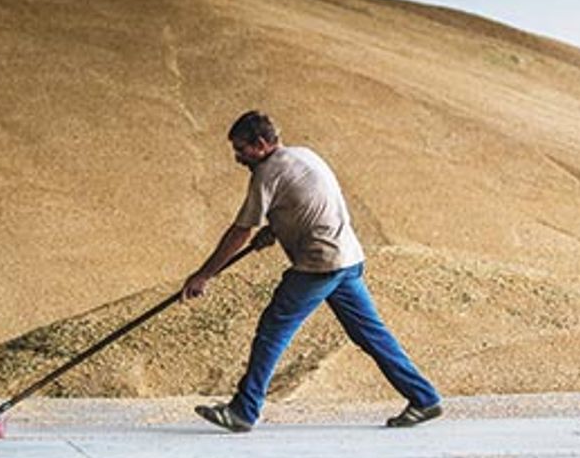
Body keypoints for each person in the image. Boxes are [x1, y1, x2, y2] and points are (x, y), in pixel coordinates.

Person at [181, 110, 442, 431]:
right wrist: (275, 229)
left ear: (261, 144)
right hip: (347, 258)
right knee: (371, 335)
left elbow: (240, 231)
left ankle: (243, 411)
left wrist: (204, 274)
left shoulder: (266, 172)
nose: (238, 157)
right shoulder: (303, 155)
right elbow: (307, 202)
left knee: (272, 331)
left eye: (241, 149)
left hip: (319, 264)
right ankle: (424, 397)